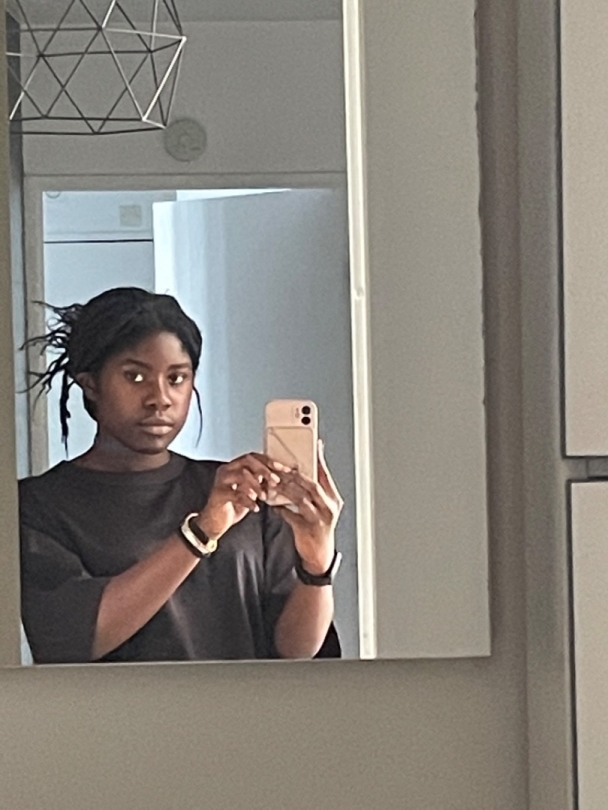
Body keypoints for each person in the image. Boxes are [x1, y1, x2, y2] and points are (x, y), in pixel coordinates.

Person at [19, 287, 343, 664]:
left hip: (244, 704)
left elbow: (296, 652)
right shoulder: (37, 506)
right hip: (121, 706)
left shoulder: (244, 495)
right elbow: (74, 639)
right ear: (90, 384)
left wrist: (317, 563)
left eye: (176, 378)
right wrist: (201, 532)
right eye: (135, 377)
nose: (160, 398)